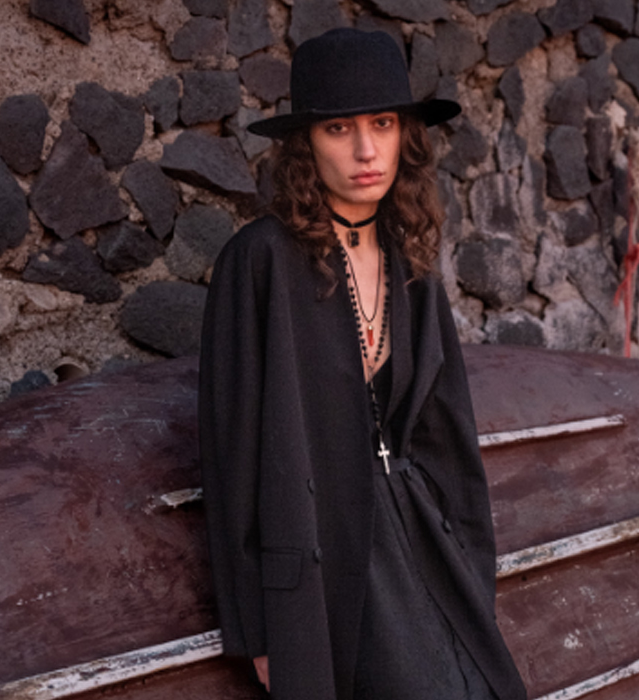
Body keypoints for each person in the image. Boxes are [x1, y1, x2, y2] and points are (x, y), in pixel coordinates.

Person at [197, 28, 528, 700]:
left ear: (405, 135)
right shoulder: (259, 261)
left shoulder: (413, 263)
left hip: (423, 545)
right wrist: (258, 628)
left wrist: (471, 571)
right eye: (338, 129)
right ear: (305, 145)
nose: (366, 150)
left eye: (382, 124)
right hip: (323, 554)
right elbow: (231, 452)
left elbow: (448, 438)